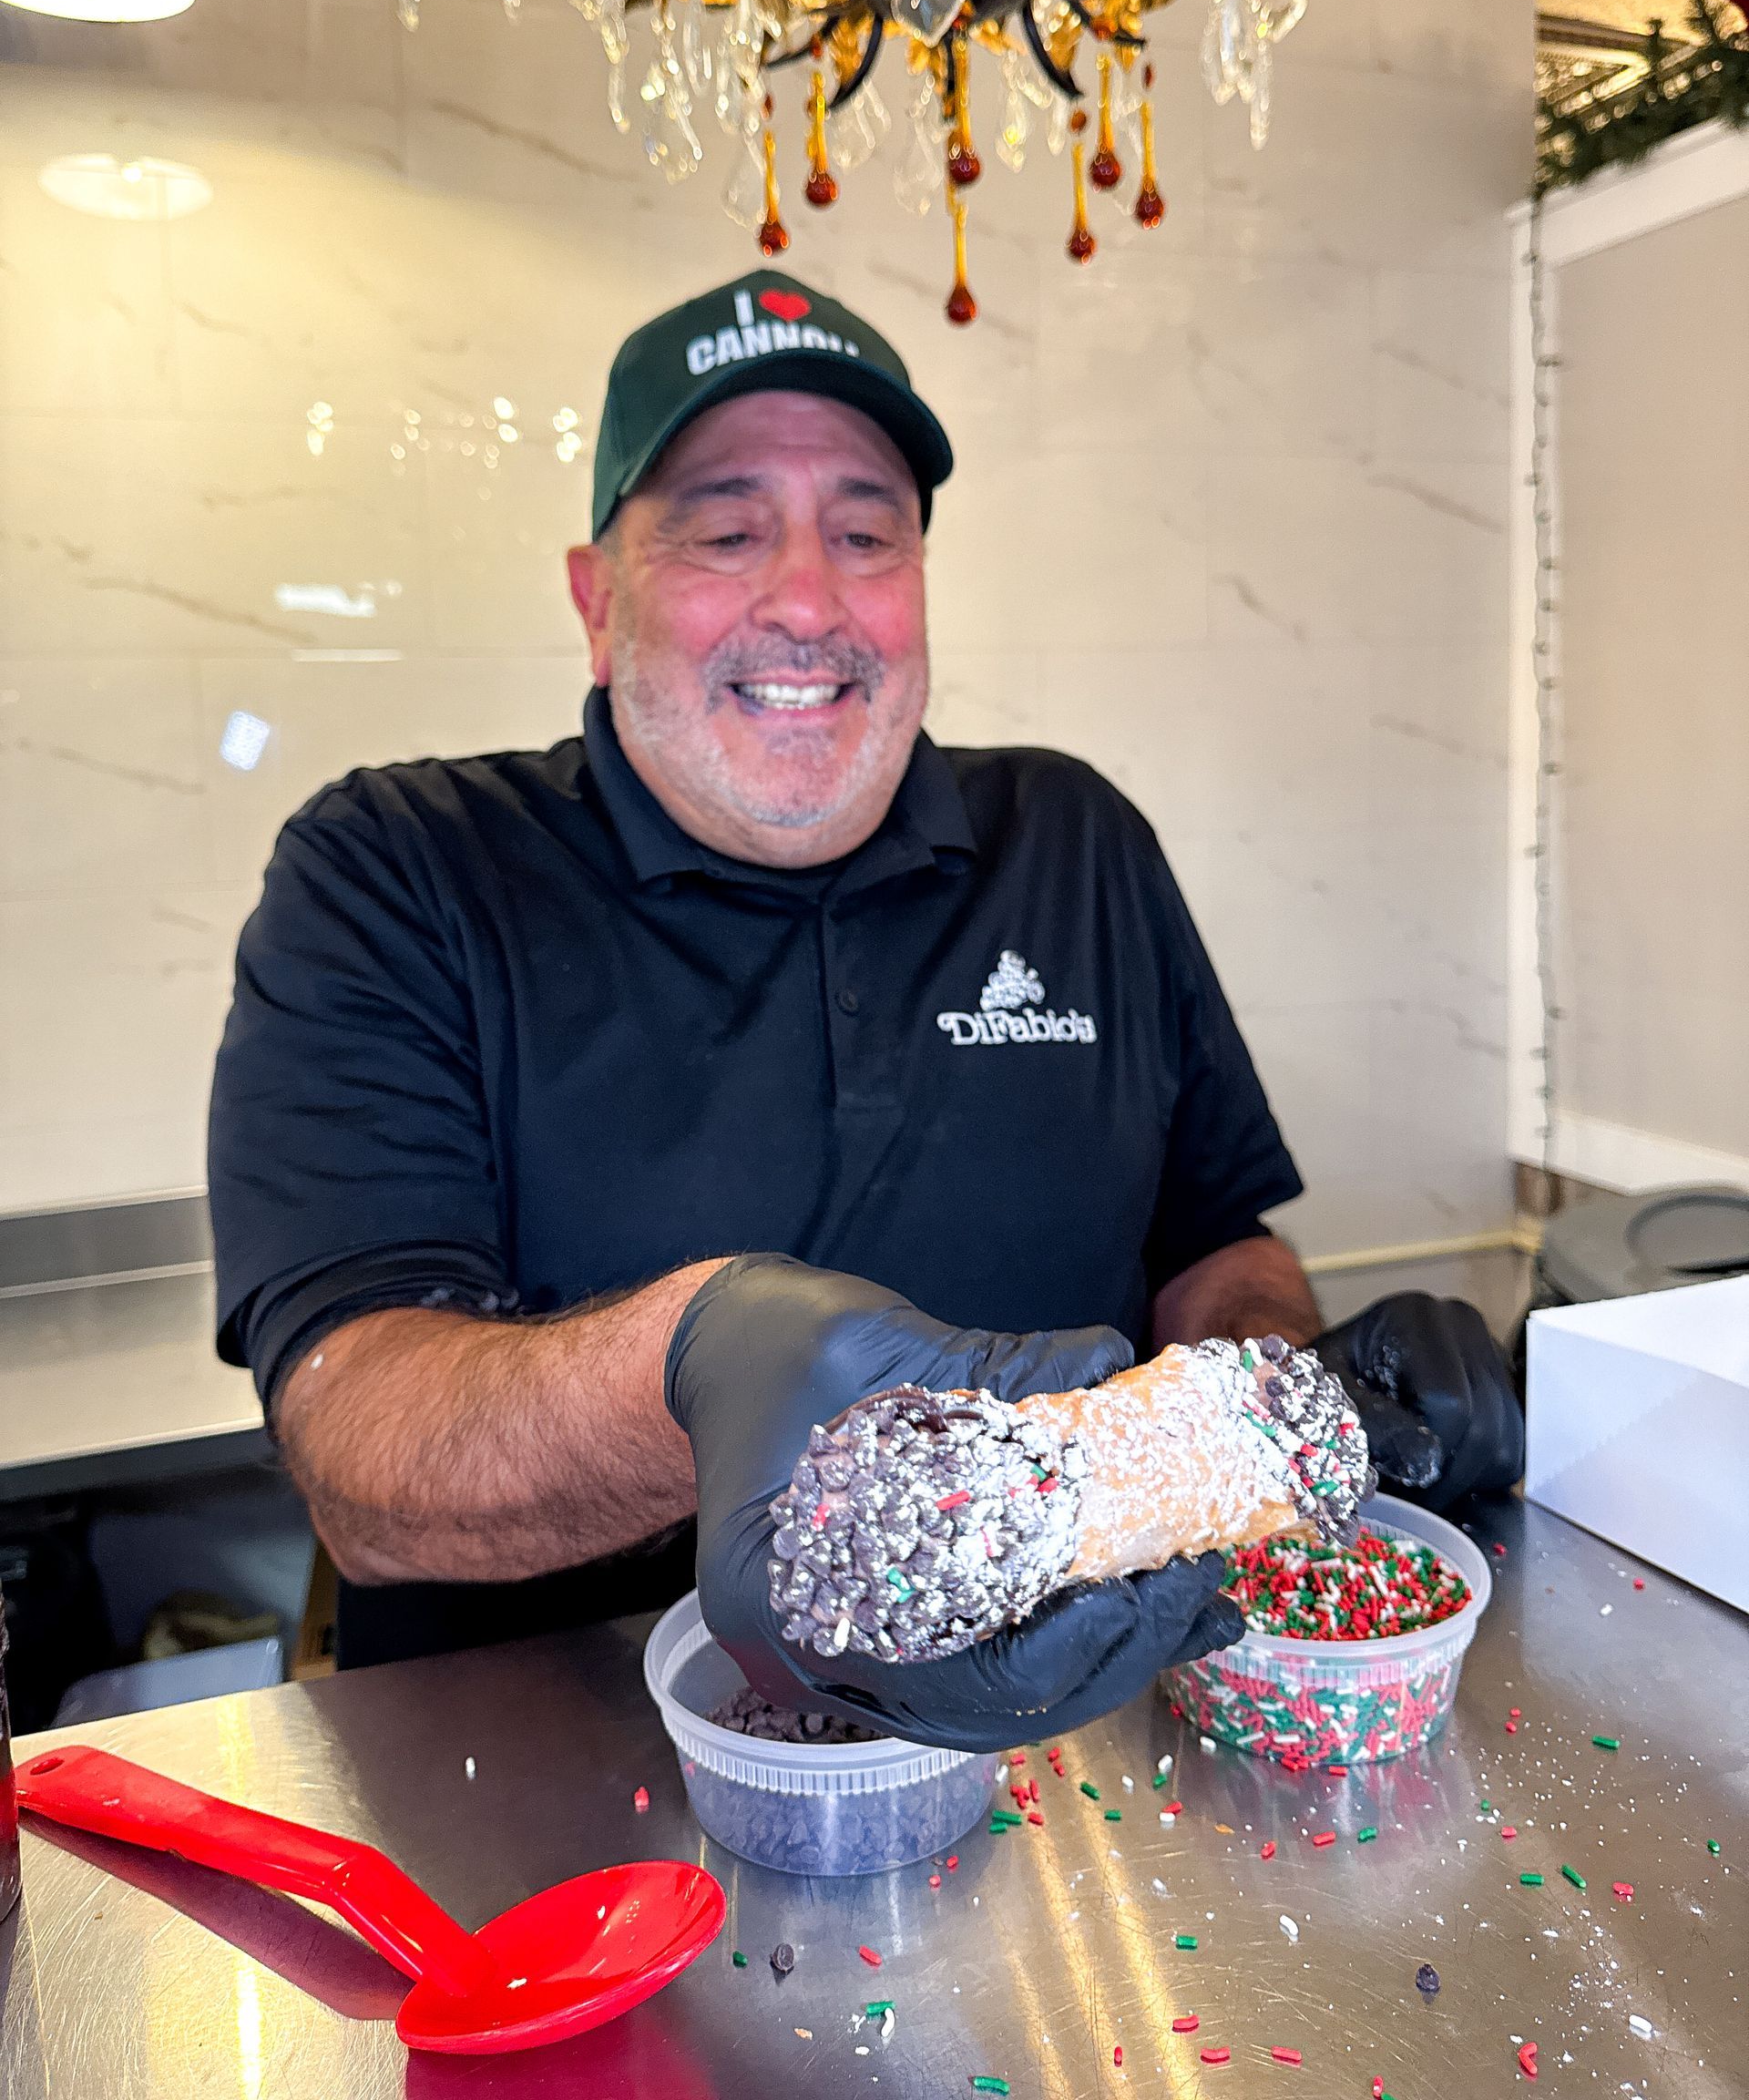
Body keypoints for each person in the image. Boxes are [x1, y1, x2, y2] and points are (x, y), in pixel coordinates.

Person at [209, 271, 1521, 1747]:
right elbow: (361, 1454)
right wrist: (688, 1376)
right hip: (561, 1821)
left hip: (1077, 1776)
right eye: (723, 529)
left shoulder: (1075, 840)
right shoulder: (398, 869)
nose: (809, 602)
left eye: (865, 532)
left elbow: (1213, 1241)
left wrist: (1281, 1389)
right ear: (598, 599)